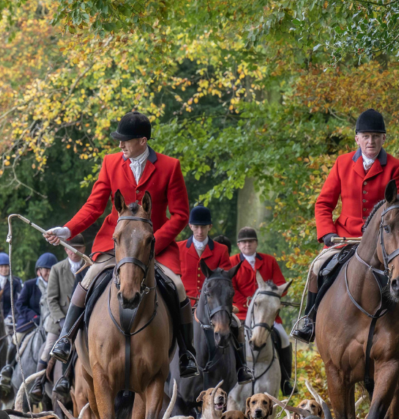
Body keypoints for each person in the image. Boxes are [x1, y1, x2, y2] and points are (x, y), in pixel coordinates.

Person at [43, 111, 199, 377]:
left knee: (177, 286)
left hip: (155, 245)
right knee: (89, 278)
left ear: (142, 141)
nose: (120, 145)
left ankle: (186, 353)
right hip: (115, 244)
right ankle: (66, 339)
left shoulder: (170, 166)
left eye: (125, 140)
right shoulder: (110, 163)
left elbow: (181, 215)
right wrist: (68, 229)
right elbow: (94, 206)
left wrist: (153, 242)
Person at [291, 108, 399, 349]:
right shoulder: (342, 163)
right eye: (366, 136)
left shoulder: (395, 166)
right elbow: (324, 203)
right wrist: (327, 233)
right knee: (317, 266)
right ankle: (309, 320)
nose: (371, 141)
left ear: (384, 138)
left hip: (385, 242)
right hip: (345, 237)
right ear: (357, 139)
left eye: (376, 136)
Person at [179, 205, 251, 382]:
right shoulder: (178, 248)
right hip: (185, 304)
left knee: (236, 324)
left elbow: (225, 279)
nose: (200, 231)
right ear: (190, 226)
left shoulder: (220, 250)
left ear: (210, 227)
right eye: (196, 226)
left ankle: (241, 367)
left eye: (203, 227)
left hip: (214, 305)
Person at [229, 227, 294, 395]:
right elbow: (231, 288)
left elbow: (280, 285)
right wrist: (247, 302)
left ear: (256, 243)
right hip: (242, 312)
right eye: (243, 242)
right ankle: (226, 375)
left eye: (250, 241)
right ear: (238, 245)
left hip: (266, 315)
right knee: (226, 337)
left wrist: (272, 297)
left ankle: (286, 381)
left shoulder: (269, 261)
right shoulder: (231, 262)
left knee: (284, 338)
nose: (247, 244)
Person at [45, 236, 88, 395]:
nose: (74, 252)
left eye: (78, 248)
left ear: (83, 249)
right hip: (60, 321)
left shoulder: (91, 266)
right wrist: (63, 321)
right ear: (65, 249)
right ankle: (40, 383)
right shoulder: (56, 269)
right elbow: (51, 299)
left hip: (85, 319)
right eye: (70, 248)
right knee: (48, 348)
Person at [12, 252, 58, 399]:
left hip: (52, 324)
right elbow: (20, 305)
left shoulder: (57, 285)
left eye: (51, 269)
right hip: (31, 322)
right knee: (16, 339)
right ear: (39, 271)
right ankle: (8, 368)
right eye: (46, 269)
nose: (48, 272)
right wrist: (34, 317)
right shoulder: (30, 285)